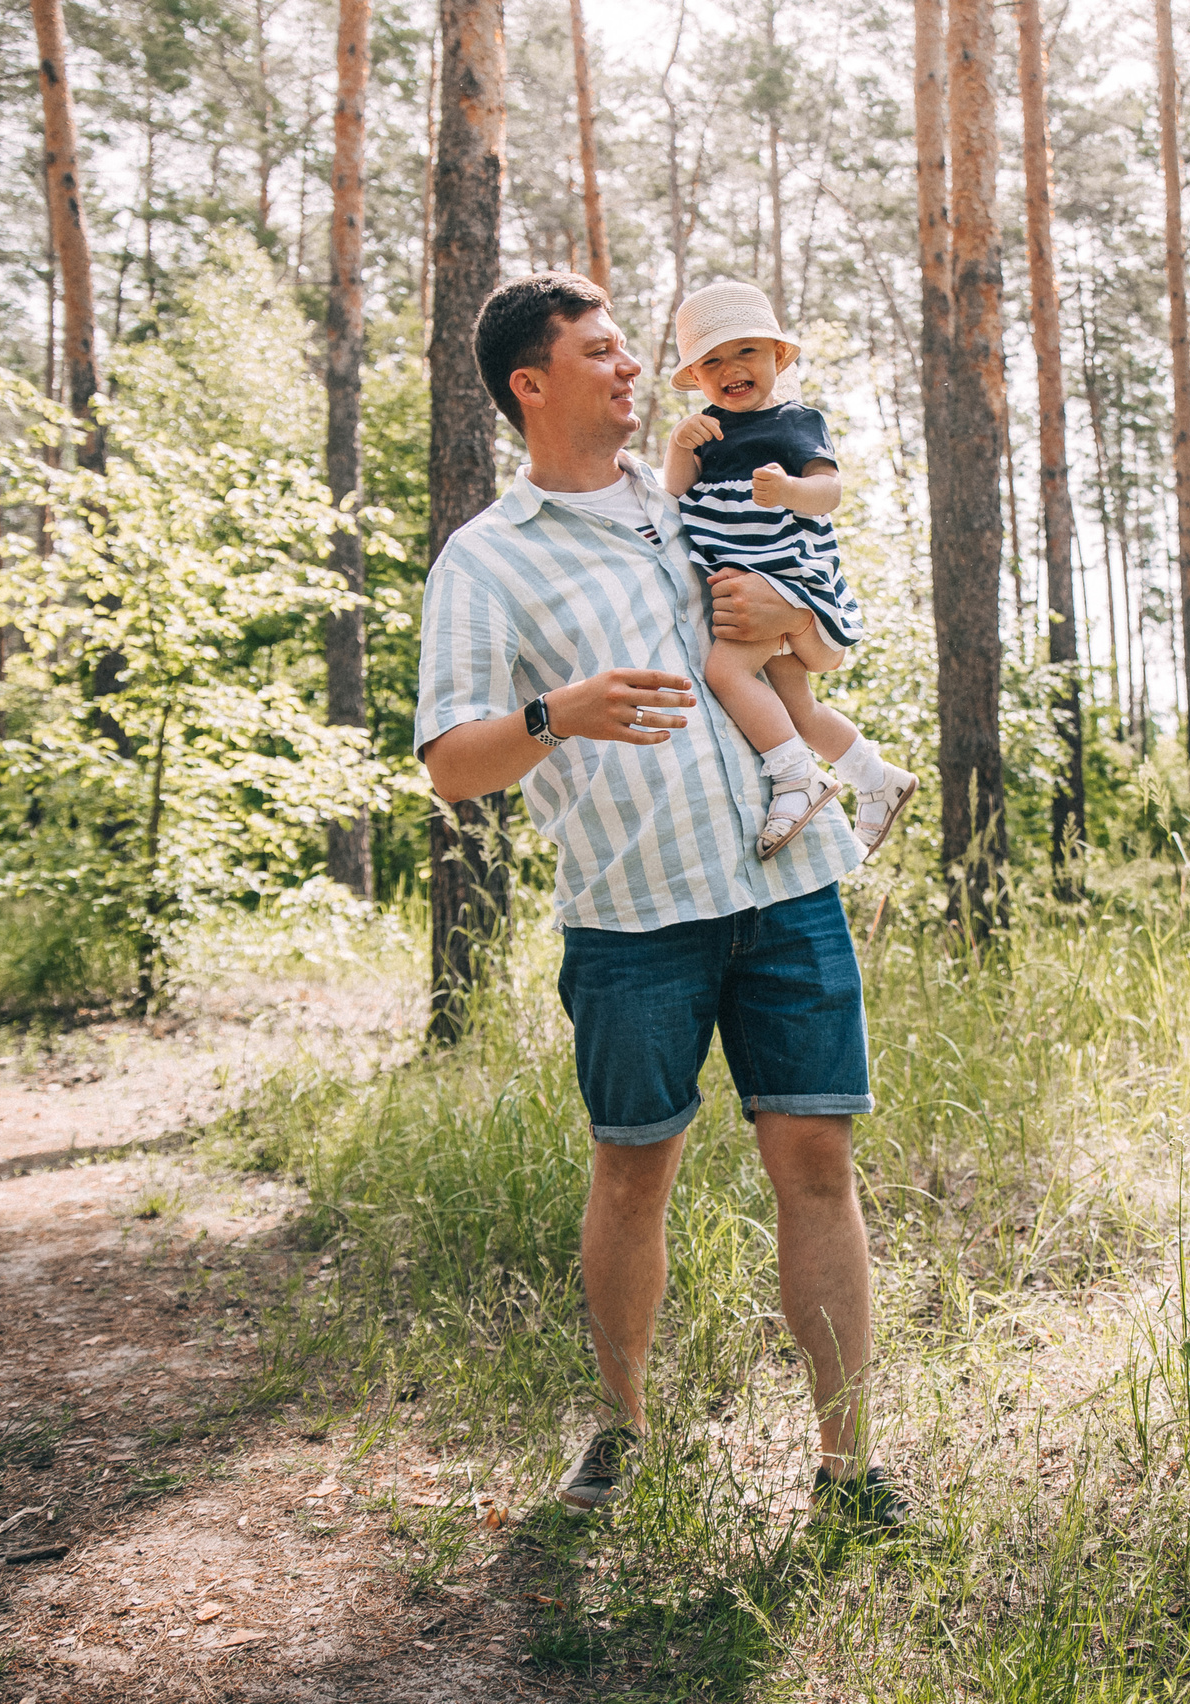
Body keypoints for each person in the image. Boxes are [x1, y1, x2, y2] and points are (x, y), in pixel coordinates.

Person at [412, 270, 907, 1530]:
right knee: (634, 1170)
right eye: (602, 352)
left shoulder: (694, 492)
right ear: (533, 383)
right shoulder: (484, 561)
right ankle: (623, 1430)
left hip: (787, 884)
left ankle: (849, 1466)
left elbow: (819, 647)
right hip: (631, 916)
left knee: (818, 1162)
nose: (631, 369)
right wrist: (554, 714)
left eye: (634, 350)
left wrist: (796, 613)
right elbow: (448, 768)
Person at [660, 280, 917, 861]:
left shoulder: (796, 421)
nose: (730, 368)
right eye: (711, 361)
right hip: (746, 582)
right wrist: (679, 447)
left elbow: (830, 492)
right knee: (796, 708)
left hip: (788, 572)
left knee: (726, 672)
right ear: (696, 378)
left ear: (777, 356)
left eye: (745, 351)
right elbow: (671, 499)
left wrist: (789, 490)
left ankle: (796, 777)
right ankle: (876, 779)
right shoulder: (707, 429)